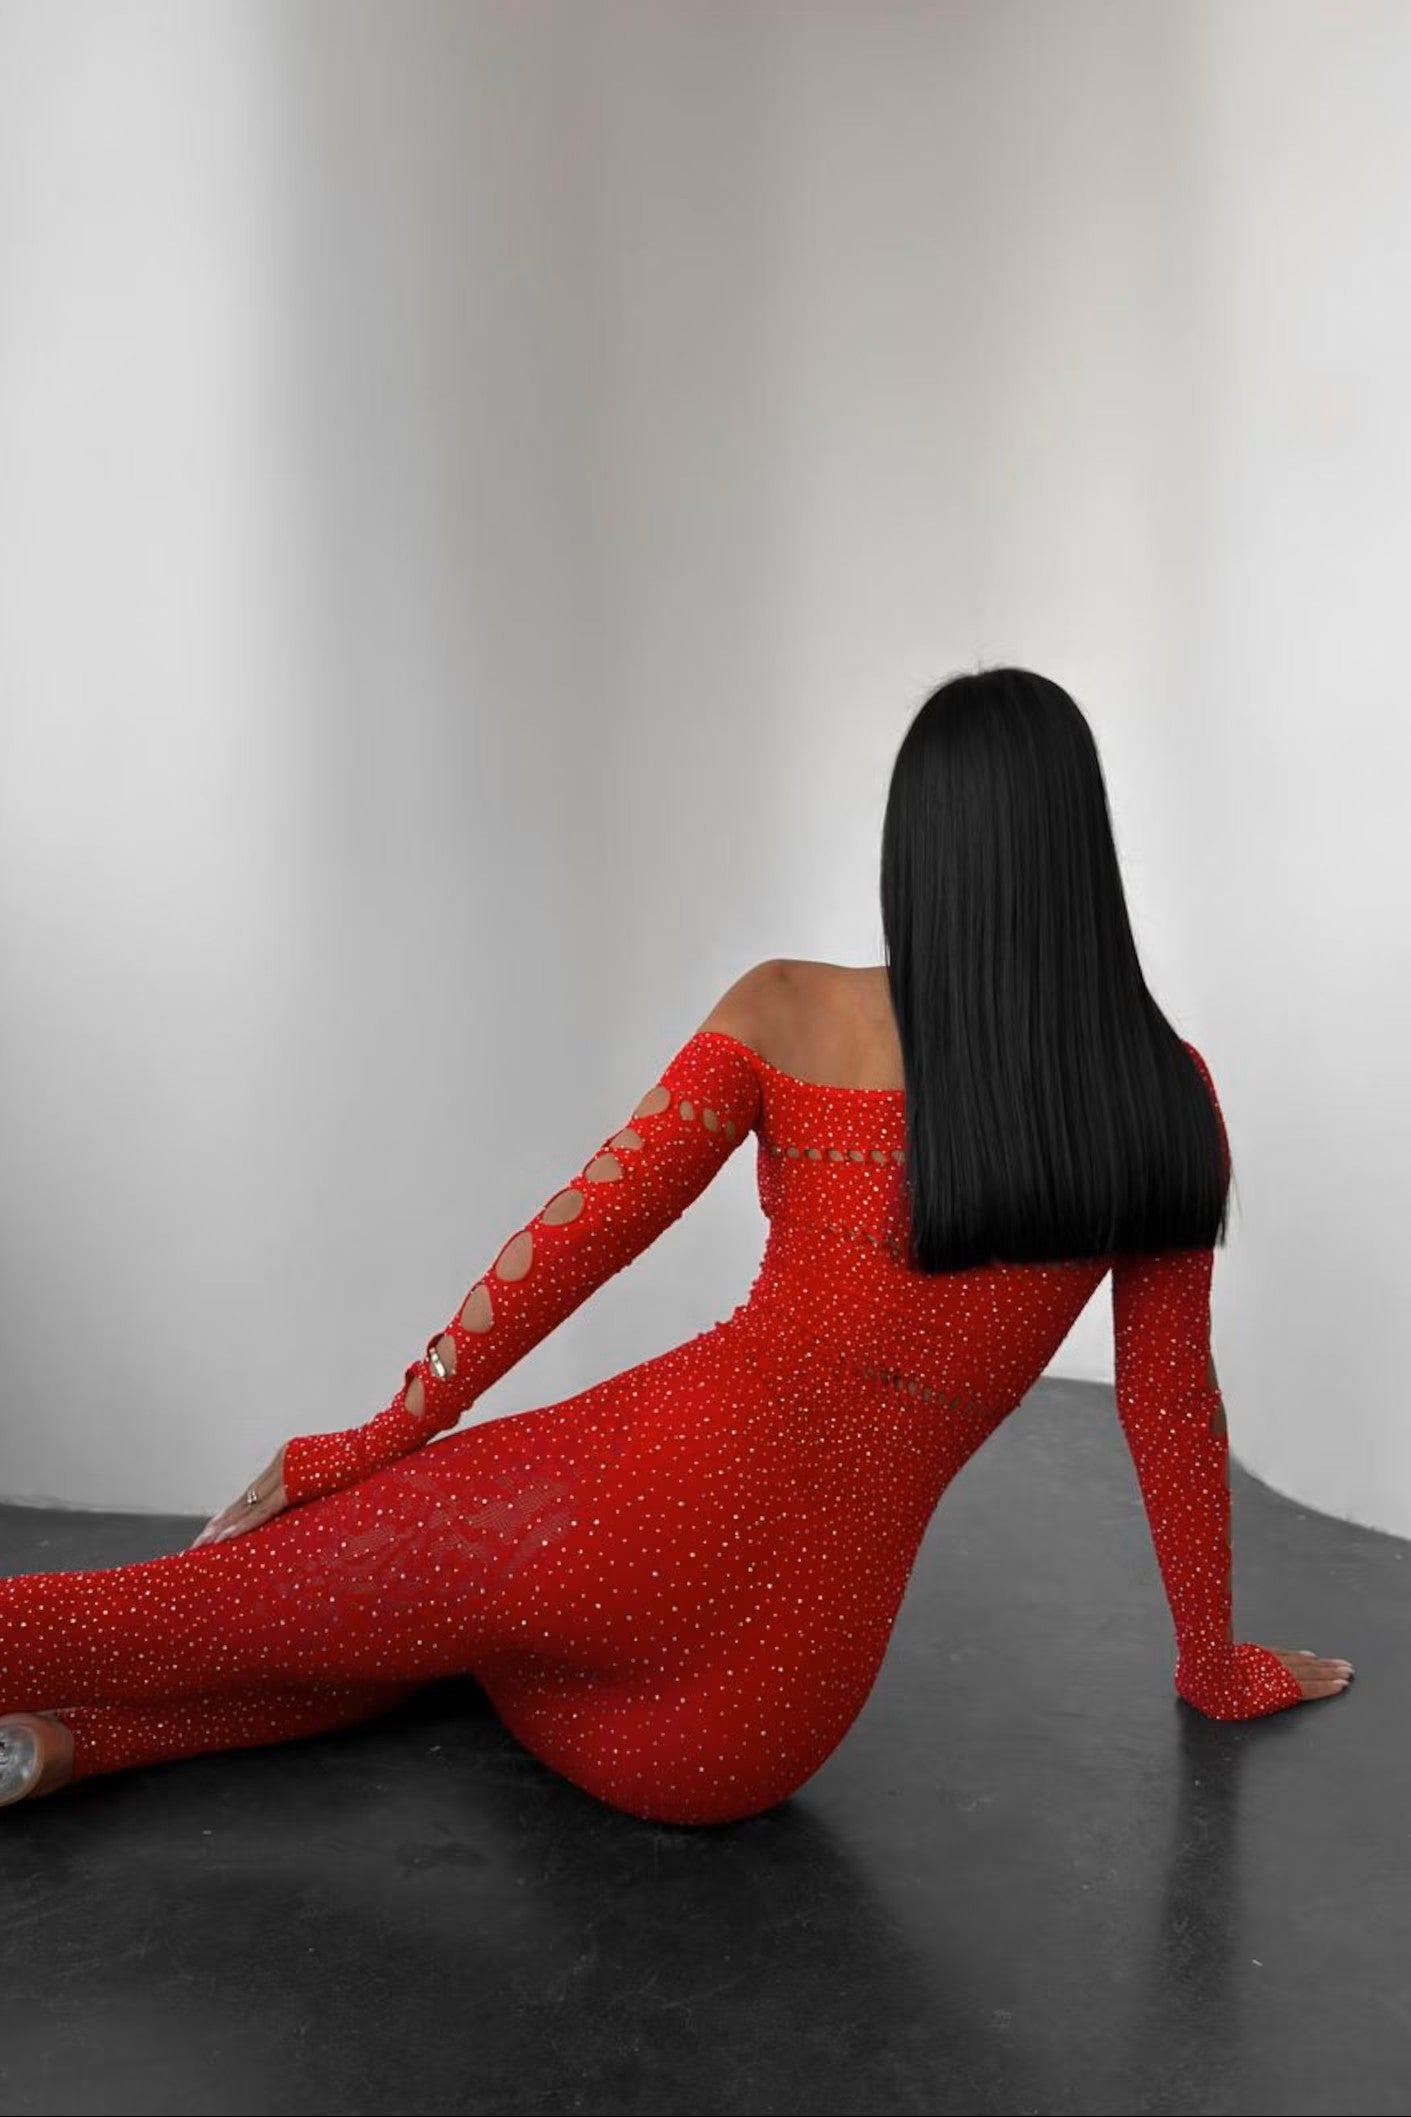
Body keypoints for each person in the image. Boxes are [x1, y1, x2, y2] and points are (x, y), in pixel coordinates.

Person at [0, 667, 1353, 1823]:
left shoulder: (792, 1009)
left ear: (918, 848)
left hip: (634, 1507)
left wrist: (378, 1437)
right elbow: (1170, 1401)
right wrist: (1212, 1661)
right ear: (1082, 851)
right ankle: (69, 1747)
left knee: (181, 1612)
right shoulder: (1163, 1096)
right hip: (745, 1734)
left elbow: (579, 1233)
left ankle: (77, 1715)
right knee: (434, 1632)